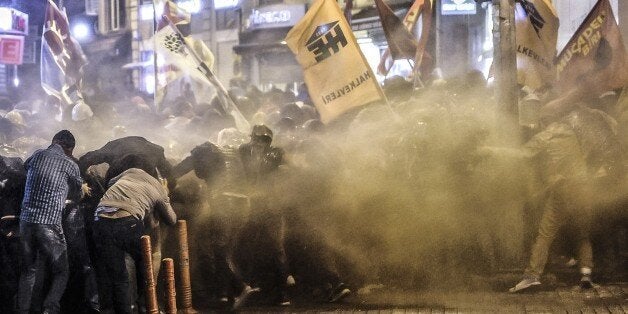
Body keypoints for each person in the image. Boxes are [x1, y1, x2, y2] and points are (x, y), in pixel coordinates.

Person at [92, 154, 176, 314]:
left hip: (100, 221)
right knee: (146, 263)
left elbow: (109, 185)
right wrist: (165, 194)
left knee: (119, 278)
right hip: (127, 222)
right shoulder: (156, 184)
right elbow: (172, 220)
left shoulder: (118, 179)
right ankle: (146, 306)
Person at [16, 130, 84, 314]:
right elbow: (78, 194)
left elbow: (25, 168)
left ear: (54, 141)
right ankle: (49, 309)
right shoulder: (70, 164)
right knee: (62, 271)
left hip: (25, 222)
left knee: (28, 270)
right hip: (49, 224)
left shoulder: (37, 155)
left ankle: (22, 310)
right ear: (70, 150)